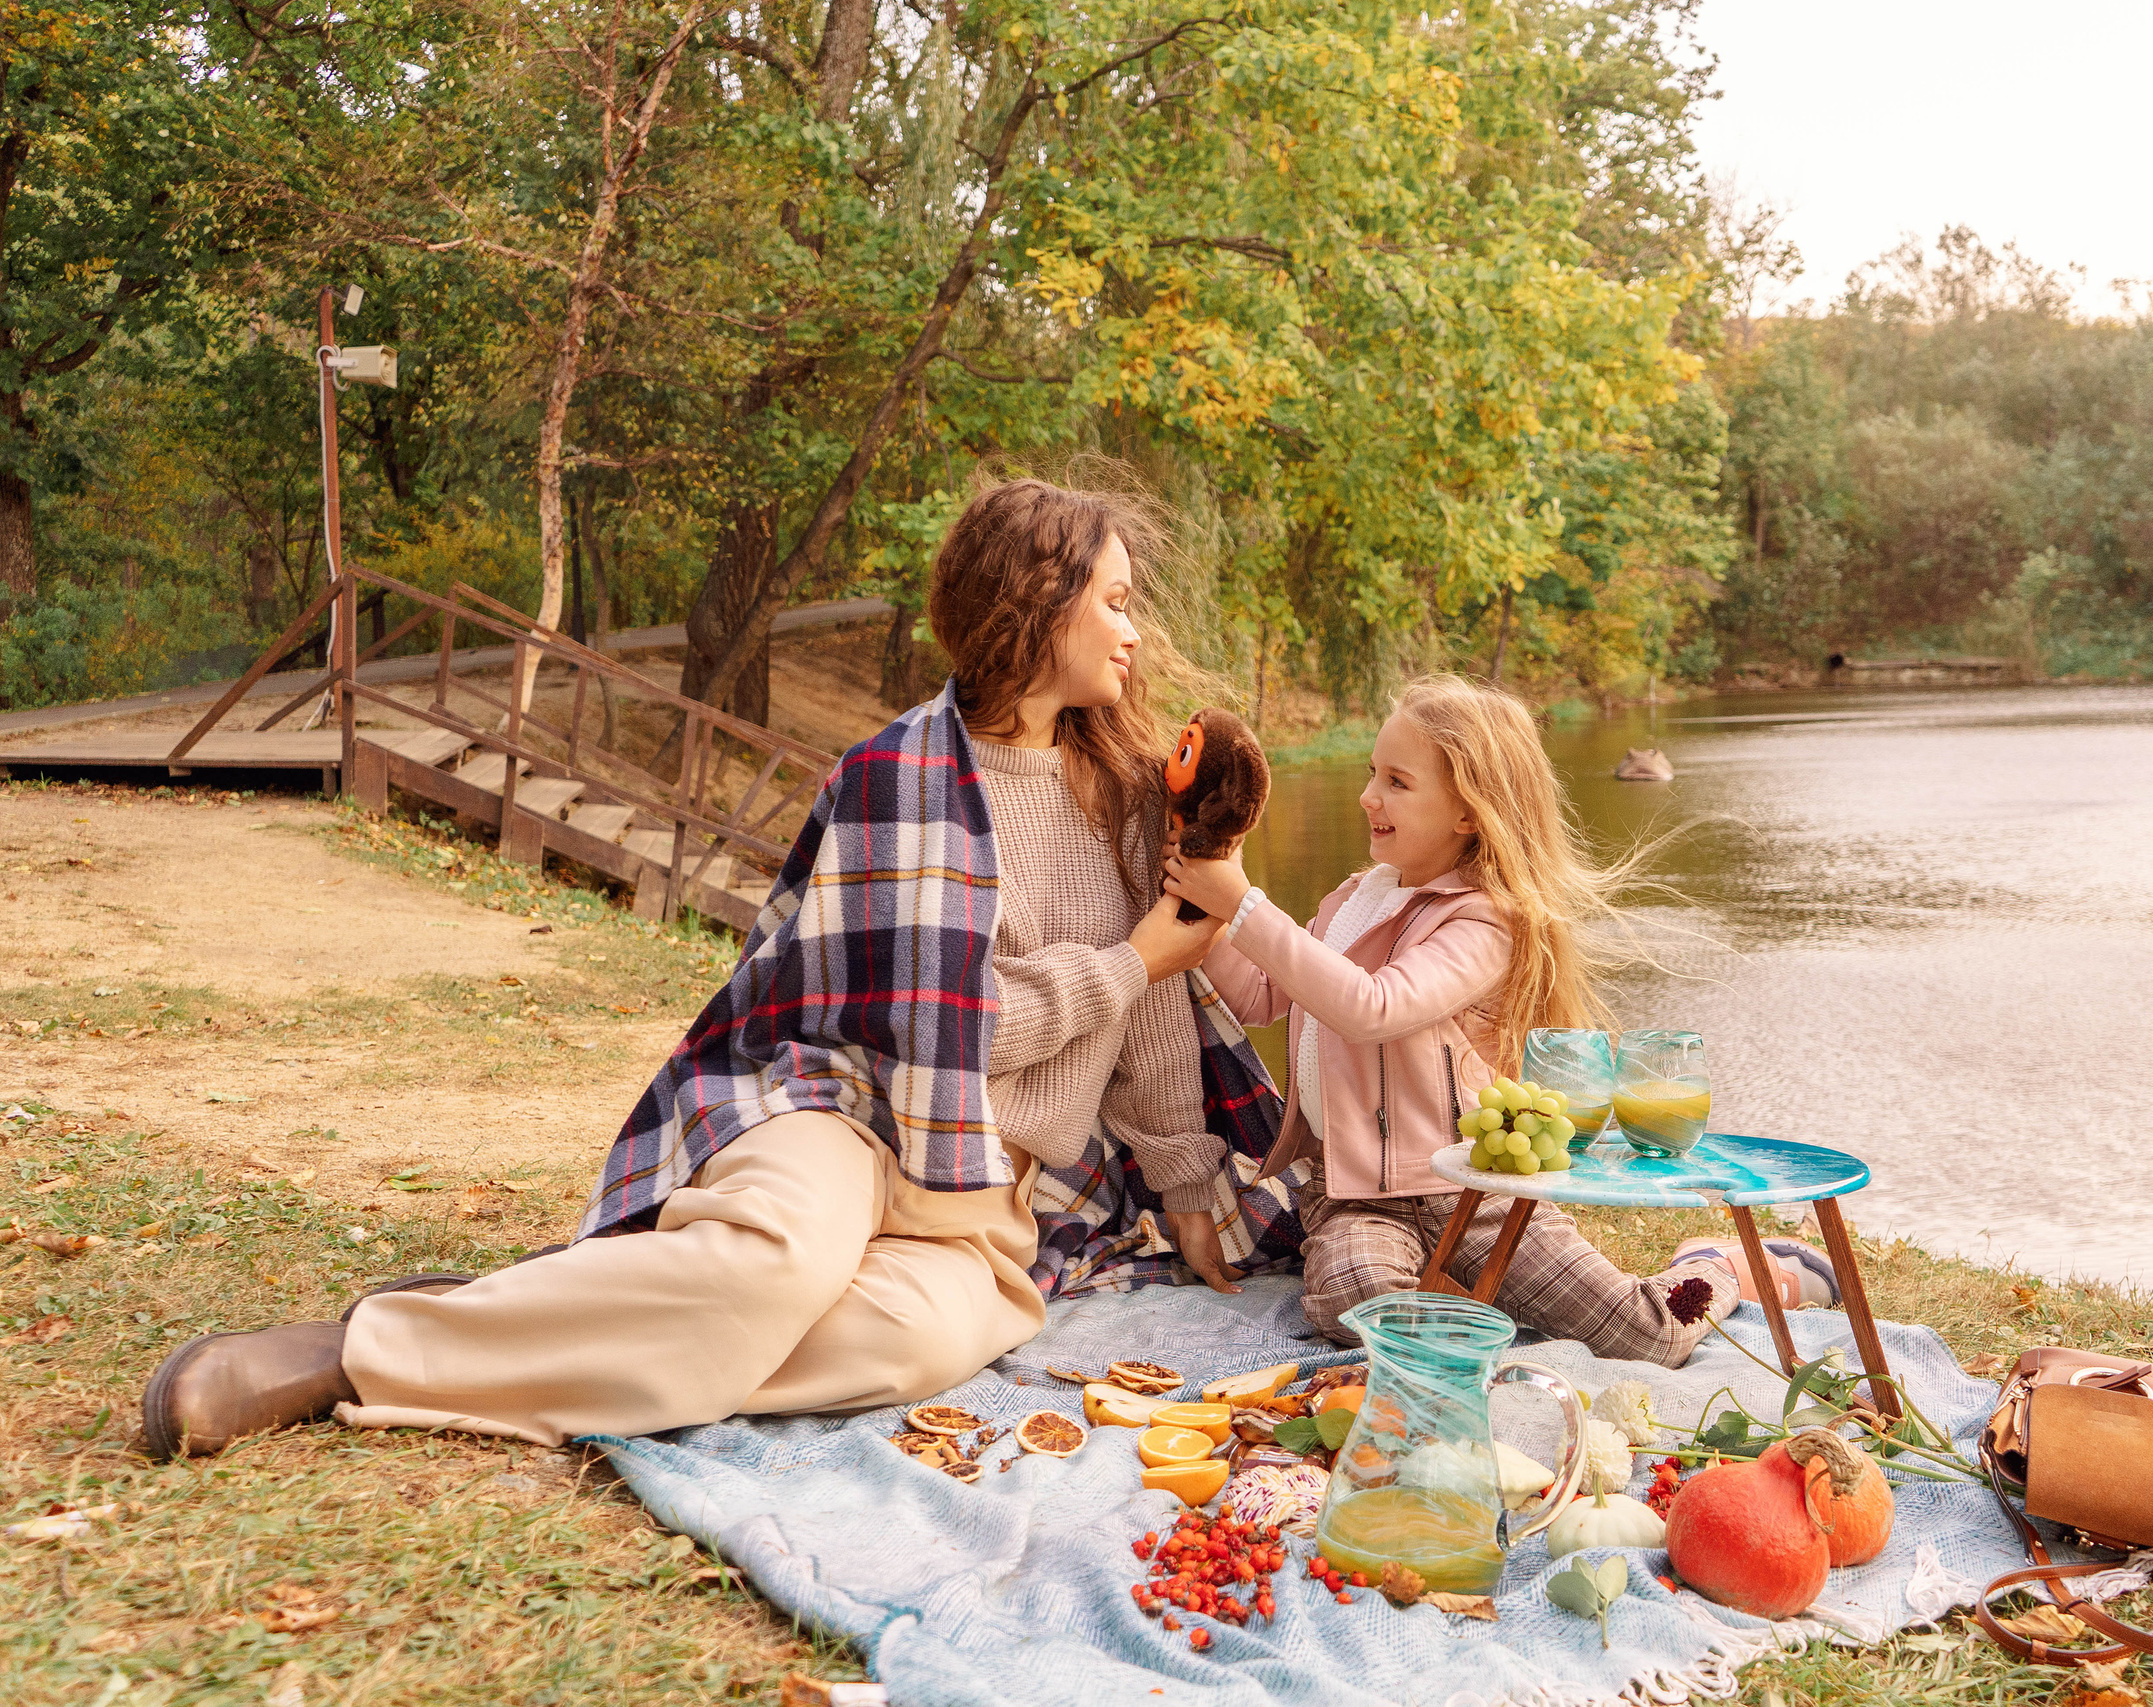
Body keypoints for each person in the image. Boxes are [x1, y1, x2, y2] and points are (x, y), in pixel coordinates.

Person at [142, 476, 1293, 1459]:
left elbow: (1152, 1029)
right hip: (840, 1111)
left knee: (919, 1342)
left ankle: (538, 1313)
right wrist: (1132, 960)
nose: (1132, 632)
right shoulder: (898, 776)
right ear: (1036, 606)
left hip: (988, 1187)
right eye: (1115, 602)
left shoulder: (1137, 798)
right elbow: (946, 1027)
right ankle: (351, 1355)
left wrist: (1191, 1190)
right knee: (773, 1269)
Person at [1163, 674, 1731, 1365]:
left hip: (1476, 1188)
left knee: (1650, 1334)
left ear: (1467, 811)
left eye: (1398, 782)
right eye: (1374, 773)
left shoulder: (1486, 920)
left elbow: (1373, 1007)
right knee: (1354, 1295)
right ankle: (1465, 1301)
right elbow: (1258, 997)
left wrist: (1246, 905)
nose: (1369, 795)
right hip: (1356, 1197)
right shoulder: (1350, 901)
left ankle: (1724, 1263)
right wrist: (1215, 908)